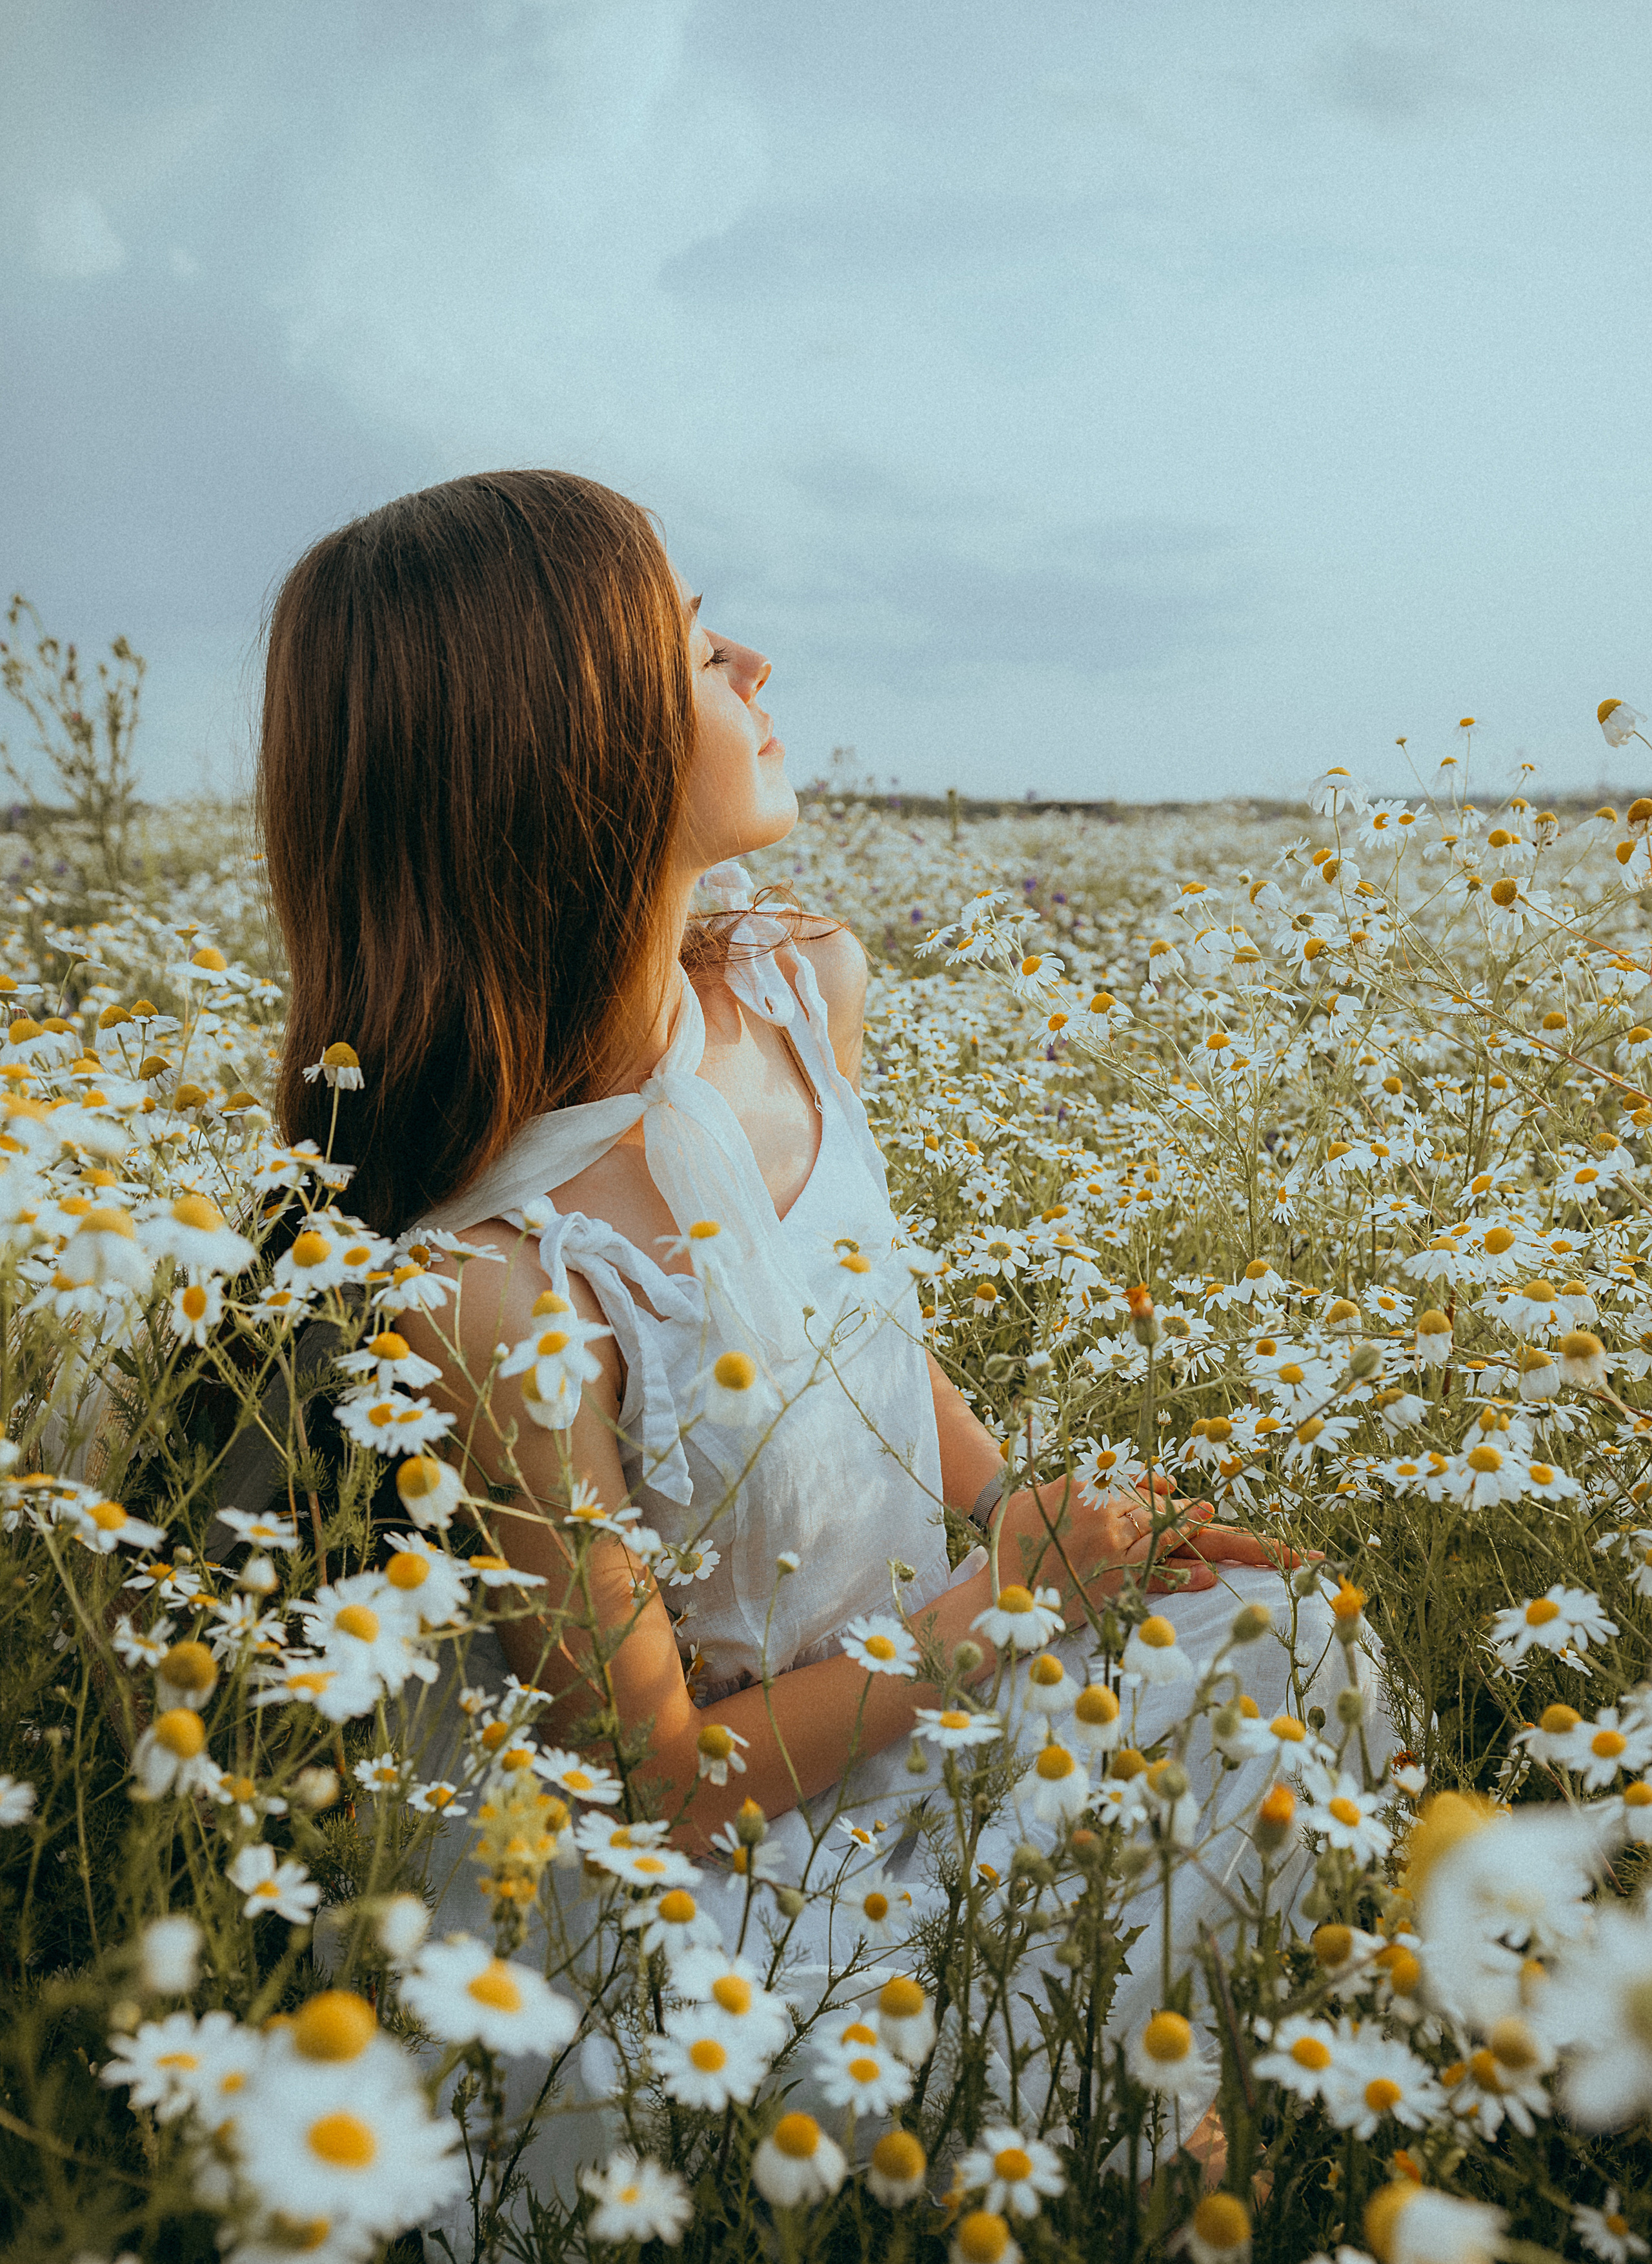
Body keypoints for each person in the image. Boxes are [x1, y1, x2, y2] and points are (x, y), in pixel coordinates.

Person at [257, 469, 1375, 2217]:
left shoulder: (801, 982)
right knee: (931, 2054)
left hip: (938, 1655)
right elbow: (666, 1793)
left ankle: (1158, 2130)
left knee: (1290, 1634)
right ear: (575, 748)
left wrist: (1066, 1527)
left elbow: (867, 1344)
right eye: (704, 649)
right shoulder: (484, 1285)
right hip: (751, 1845)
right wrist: (995, 1605)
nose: (761, 662)